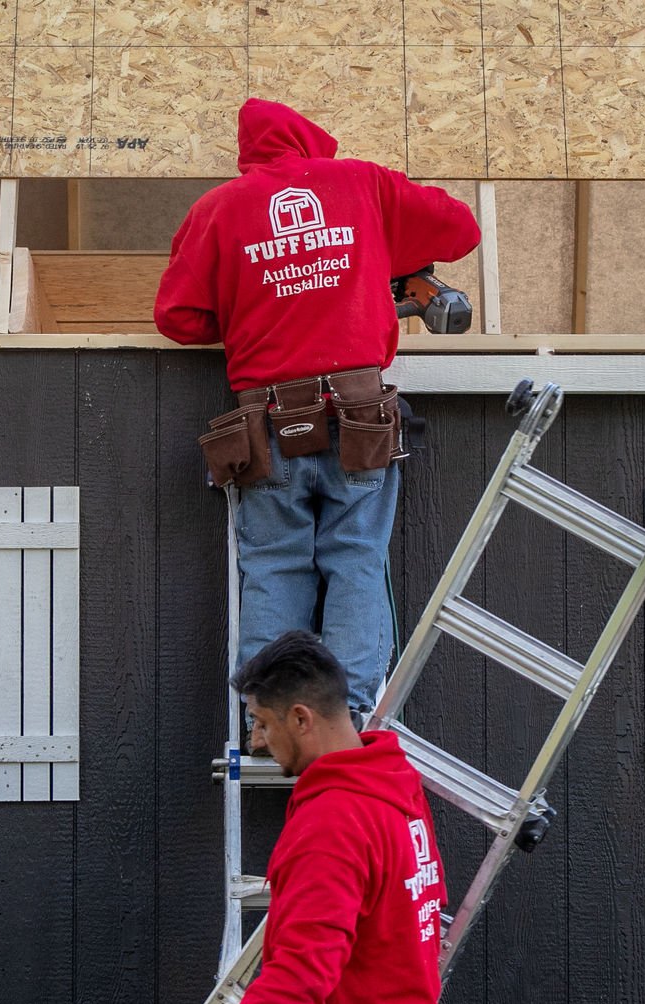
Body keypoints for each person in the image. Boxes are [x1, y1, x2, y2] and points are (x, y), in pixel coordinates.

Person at [155, 97, 481, 720]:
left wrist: (251, 304)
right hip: (355, 414)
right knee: (355, 556)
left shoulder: (216, 211)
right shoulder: (361, 183)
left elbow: (177, 317)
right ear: (310, 141)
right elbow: (461, 229)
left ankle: (273, 720)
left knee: (276, 565)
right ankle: (348, 718)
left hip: (265, 424)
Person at [191, 630, 459, 1004]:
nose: (257, 740)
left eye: (262, 722)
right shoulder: (394, 782)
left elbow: (299, 976)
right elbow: (427, 904)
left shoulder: (333, 822)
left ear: (300, 719)